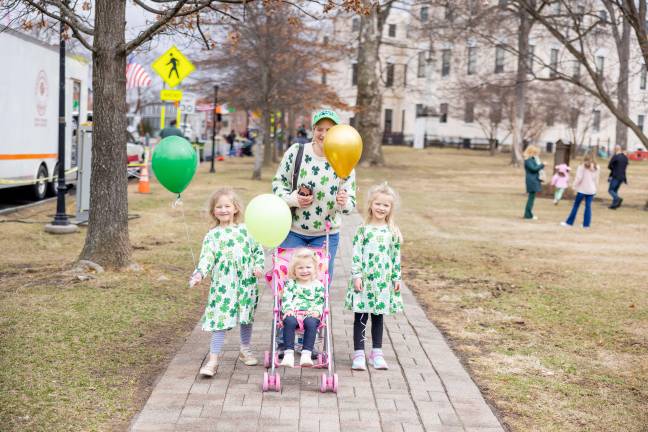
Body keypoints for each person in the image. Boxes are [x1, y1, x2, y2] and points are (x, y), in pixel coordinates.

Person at [272, 109, 356, 282]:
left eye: (329, 130)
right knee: (287, 283)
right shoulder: (297, 152)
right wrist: (292, 199)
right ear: (313, 130)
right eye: (319, 129)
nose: (323, 134)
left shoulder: (345, 157)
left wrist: (344, 202)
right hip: (293, 231)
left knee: (319, 287)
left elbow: (350, 203)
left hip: (326, 234)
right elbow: (278, 182)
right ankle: (286, 311)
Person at [189, 188, 265, 377]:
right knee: (220, 320)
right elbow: (206, 258)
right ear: (213, 211)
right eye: (219, 207)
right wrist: (199, 274)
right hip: (223, 285)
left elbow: (257, 251)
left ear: (235, 208)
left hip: (246, 282)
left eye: (227, 206)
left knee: (246, 316)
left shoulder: (246, 230)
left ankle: (245, 349)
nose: (223, 210)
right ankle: (213, 360)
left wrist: (258, 266)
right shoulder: (212, 235)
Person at [345, 182, 403, 371]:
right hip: (364, 281)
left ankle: (376, 352)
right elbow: (356, 255)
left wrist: (396, 278)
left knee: (378, 317)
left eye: (386, 205)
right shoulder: (363, 230)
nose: (381, 208)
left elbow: (395, 257)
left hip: (382, 283)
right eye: (378, 204)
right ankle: (359, 353)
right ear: (371, 204)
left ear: (390, 209)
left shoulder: (391, 231)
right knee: (360, 317)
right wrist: (356, 275)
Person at [280, 248, 326, 368]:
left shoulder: (318, 285)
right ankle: (288, 353)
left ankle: (306, 353)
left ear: (315, 269)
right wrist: (288, 310)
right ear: (294, 270)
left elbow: (319, 300)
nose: (304, 271)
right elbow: (286, 298)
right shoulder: (291, 284)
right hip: (294, 312)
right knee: (289, 321)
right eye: (300, 268)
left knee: (311, 323)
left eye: (308, 267)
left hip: (310, 313)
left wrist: (316, 311)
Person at [561, 152, 600, 229]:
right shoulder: (597, 167)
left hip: (582, 190)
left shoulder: (582, 166)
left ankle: (569, 223)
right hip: (591, 190)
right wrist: (595, 189)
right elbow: (596, 179)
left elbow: (579, 178)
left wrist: (574, 186)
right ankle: (586, 225)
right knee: (588, 207)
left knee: (576, 206)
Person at [523, 145, 544, 220]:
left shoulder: (532, 159)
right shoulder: (528, 160)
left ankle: (528, 214)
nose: (536, 154)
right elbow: (534, 169)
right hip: (531, 180)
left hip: (534, 179)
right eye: (535, 153)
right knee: (531, 198)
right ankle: (528, 215)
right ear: (531, 152)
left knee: (531, 198)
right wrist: (542, 165)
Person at [608, 145, 629, 209]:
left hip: (615, 176)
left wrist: (613, 170)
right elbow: (625, 167)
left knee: (610, 190)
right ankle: (614, 205)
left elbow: (609, 166)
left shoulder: (615, 156)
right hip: (622, 177)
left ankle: (617, 199)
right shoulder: (625, 158)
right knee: (615, 191)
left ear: (615, 150)